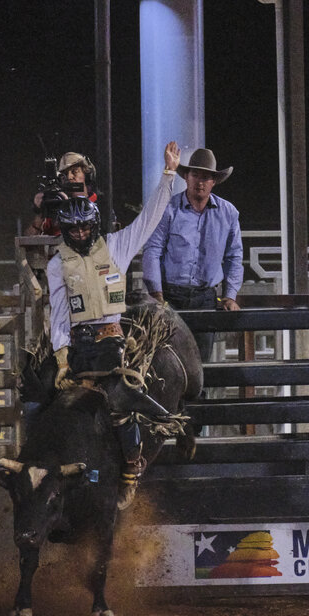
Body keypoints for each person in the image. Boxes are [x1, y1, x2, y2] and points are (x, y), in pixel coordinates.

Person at [47, 140, 180, 509]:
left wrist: (168, 174)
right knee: (43, 399)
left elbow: (148, 219)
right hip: (77, 343)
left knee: (119, 400)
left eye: (82, 230)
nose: (78, 236)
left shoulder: (117, 247)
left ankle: (130, 469)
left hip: (111, 341)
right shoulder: (58, 264)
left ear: (92, 226)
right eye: (71, 231)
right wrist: (61, 359)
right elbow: (58, 312)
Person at [142, 148, 243, 362]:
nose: (200, 182)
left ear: (213, 181)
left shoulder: (228, 213)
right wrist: (157, 294)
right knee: (165, 362)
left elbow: (234, 256)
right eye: (195, 175)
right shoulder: (168, 210)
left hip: (205, 297)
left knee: (201, 363)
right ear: (186, 177)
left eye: (205, 177)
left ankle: (200, 395)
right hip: (171, 296)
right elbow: (153, 250)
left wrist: (229, 295)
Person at [26, 151, 98, 236]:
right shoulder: (56, 208)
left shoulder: (100, 205)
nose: (69, 177)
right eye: (64, 174)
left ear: (87, 175)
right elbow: (28, 245)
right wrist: (40, 214)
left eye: (75, 171)